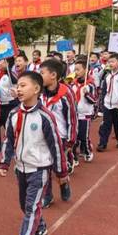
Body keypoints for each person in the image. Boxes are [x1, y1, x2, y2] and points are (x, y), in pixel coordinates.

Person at [0, 71, 69, 235]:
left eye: (23, 85)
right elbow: (9, 139)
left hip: (39, 169)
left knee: (31, 206)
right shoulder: (14, 114)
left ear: (36, 89)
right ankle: (41, 227)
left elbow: (55, 145)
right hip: (21, 168)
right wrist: (5, 162)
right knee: (25, 204)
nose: (18, 89)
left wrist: (61, 171)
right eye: (18, 86)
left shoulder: (45, 116)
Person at [39, 59, 75, 206]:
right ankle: (47, 195)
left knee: (59, 167)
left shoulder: (66, 93)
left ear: (53, 75)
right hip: (42, 135)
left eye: (42, 73)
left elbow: (72, 118)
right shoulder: (39, 91)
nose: (39, 76)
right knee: (44, 166)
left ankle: (63, 182)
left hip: (60, 136)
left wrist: (71, 140)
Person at [97, 53, 118, 150]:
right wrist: (102, 102)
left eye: (113, 61)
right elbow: (104, 90)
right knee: (105, 124)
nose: (110, 64)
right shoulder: (107, 75)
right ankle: (102, 143)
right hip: (107, 104)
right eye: (109, 62)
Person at [71, 60, 97, 164]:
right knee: (73, 138)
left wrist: (87, 94)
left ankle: (87, 151)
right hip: (74, 114)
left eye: (78, 69)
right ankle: (74, 157)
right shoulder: (73, 84)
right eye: (75, 69)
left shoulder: (90, 85)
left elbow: (94, 100)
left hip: (85, 114)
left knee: (83, 136)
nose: (76, 72)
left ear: (85, 70)